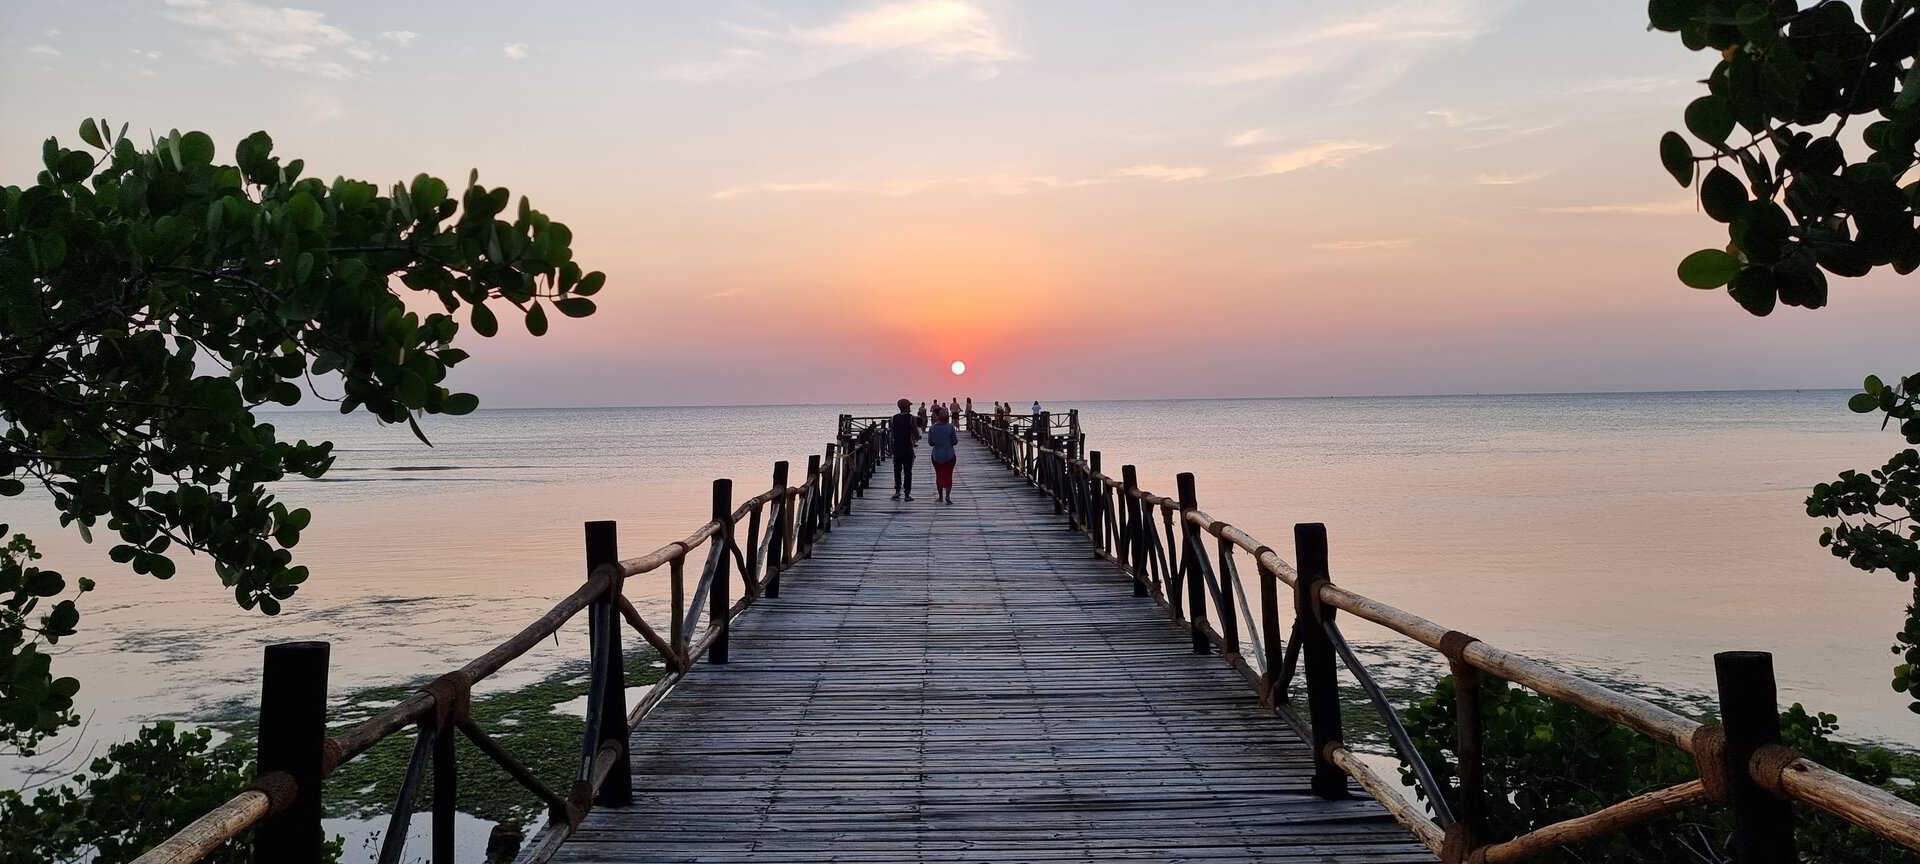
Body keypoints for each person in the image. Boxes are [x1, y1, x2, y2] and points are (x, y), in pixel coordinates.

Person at [927, 405, 958, 503]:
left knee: (939, 475)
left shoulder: (932, 428)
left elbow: (931, 443)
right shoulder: (950, 427)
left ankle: (940, 497)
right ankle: (948, 496)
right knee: (949, 475)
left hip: (936, 455)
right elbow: (955, 442)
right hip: (949, 455)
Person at [890, 398, 920, 501]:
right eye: (909, 406)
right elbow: (915, 433)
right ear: (906, 407)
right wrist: (917, 437)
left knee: (897, 470)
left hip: (897, 447)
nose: (910, 408)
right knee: (908, 471)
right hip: (907, 447)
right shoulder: (911, 418)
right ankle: (907, 494)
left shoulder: (893, 418)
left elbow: (892, 433)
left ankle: (897, 491)